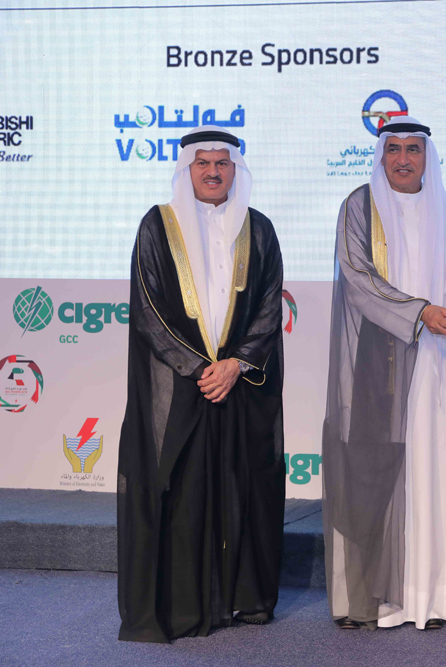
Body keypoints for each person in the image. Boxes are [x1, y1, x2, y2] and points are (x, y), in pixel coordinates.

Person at [322, 116, 446, 632]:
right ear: (381, 155)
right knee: (380, 475)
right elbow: (358, 278)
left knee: (439, 470)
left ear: (428, 157)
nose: (403, 160)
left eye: (414, 150)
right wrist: (419, 312)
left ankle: (434, 597)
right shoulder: (360, 204)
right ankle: (380, 596)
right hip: (383, 362)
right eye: (394, 149)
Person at [117, 125, 285, 642]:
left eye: (222, 163)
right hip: (180, 385)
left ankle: (240, 600)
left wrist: (235, 364)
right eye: (203, 163)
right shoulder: (157, 225)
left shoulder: (258, 228)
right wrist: (198, 368)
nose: (213, 172)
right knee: (182, 491)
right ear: (187, 169)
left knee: (242, 486)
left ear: (235, 169)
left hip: (240, 385)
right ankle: (184, 605)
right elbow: (148, 309)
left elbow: (269, 306)